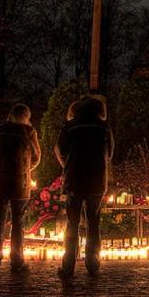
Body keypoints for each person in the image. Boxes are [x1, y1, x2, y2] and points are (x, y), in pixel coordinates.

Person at [54, 96, 114, 277]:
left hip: (74, 179)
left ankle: (68, 265)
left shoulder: (70, 126)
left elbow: (60, 150)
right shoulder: (104, 127)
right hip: (96, 180)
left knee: (72, 222)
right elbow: (109, 152)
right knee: (93, 222)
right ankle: (93, 264)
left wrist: (69, 165)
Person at [0, 103, 41, 274]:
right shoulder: (28, 132)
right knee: (18, 222)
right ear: (26, 116)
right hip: (19, 182)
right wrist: (24, 169)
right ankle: (17, 261)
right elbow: (36, 157)